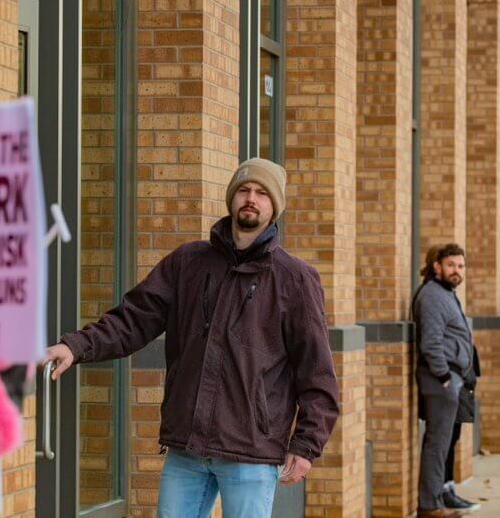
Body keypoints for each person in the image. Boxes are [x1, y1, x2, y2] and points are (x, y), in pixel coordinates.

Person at [46, 158, 340, 517]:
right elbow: (132, 320)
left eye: (262, 193)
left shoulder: (294, 279)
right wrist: (75, 347)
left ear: (274, 206)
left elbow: (317, 371)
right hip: (187, 448)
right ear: (232, 198)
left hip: (251, 450)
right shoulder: (189, 263)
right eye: (244, 190)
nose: (251, 198)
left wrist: (307, 444)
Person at [413, 243, 477, 517]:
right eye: (451, 265)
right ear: (437, 266)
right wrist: (444, 377)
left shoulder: (445, 293)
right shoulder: (432, 295)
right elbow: (431, 342)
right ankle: (430, 506)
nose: (456, 271)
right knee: (437, 445)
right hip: (440, 380)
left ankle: (436, 498)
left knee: (443, 443)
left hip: (450, 379)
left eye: (461, 266)